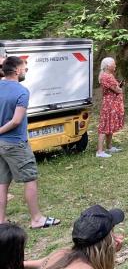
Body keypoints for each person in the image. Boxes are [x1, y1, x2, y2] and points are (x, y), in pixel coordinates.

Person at [0, 56, 59, 229]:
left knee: (2, 183)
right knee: (30, 179)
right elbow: (16, 121)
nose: (26, 70)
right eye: (24, 67)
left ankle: (1, 221)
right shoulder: (22, 91)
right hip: (16, 143)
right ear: (17, 70)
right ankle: (36, 219)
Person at [24, 205, 125, 269]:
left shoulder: (62, 254)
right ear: (104, 243)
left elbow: (27, 264)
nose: (116, 237)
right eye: (112, 233)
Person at [96, 57, 125, 158]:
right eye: (114, 64)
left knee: (110, 124)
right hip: (109, 104)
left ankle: (109, 146)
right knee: (104, 126)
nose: (115, 66)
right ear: (108, 66)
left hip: (111, 103)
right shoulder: (106, 77)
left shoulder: (109, 75)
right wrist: (119, 88)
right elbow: (117, 90)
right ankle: (99, 151)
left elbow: (116, 88)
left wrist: (119, 86)